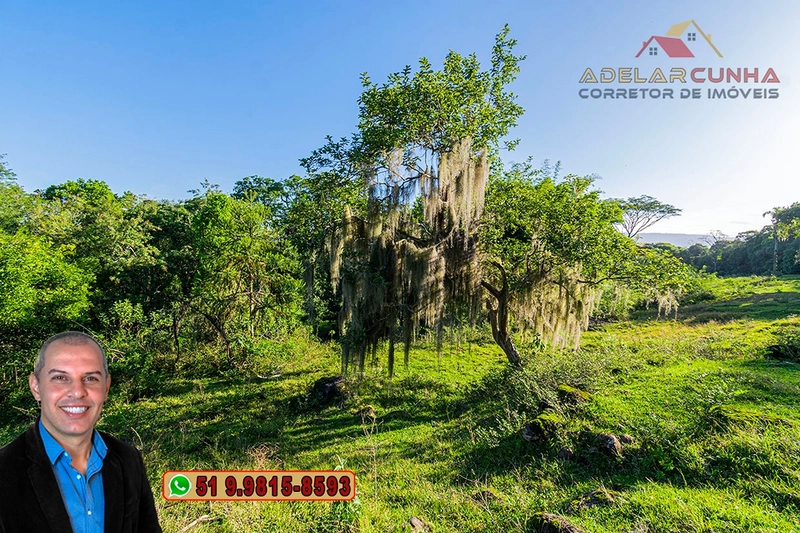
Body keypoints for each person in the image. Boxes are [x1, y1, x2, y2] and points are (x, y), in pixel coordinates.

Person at [0, 331, 162, 533]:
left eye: (91, 378)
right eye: (60, 377)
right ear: (36, 387)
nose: (77, 392)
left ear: (106, 387)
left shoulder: (129, 460)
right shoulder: (4, 470)